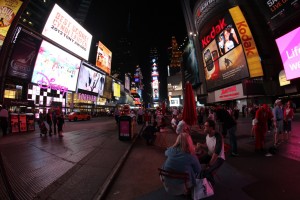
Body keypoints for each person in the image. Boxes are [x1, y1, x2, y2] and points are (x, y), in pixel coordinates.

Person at [195, 119, 225, 185]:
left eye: (206, 126)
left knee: (207, 171)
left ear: (211, 128)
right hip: (210, 154)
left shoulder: (218, 137)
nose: (204, 127)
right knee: (195, 161)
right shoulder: (208, 135)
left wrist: (209, 165)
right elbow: (207, 145)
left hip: (219, 158)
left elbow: (216, 154)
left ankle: (210, 185)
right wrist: (200, 145)